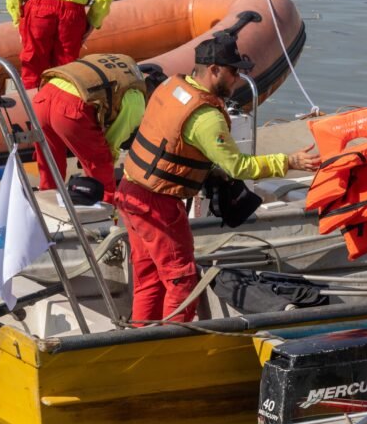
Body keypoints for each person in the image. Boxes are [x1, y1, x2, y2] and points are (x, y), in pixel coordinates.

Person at [115, 34, 320, 323]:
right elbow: (238, 166)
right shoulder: (206, 117)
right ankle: (173, 347)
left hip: (130, 192)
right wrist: (290, 161)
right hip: (159, 205)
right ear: (214, 70)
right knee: (182, 280)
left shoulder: (171, 87)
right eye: (234, 71)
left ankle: (141, 335)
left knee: (148, 277)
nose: (238, 78)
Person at [32, 53, 148, 206]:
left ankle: (46, 210)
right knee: (101, 164)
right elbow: (112, 142)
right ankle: (107, 214)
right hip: (70, 108)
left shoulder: (126, 73)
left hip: (43, 96)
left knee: (50, 162)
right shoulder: (138, 103)